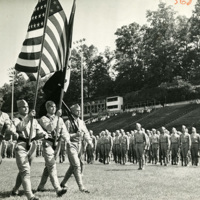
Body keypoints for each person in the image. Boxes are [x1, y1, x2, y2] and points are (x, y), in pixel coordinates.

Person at [11, 99, 47, 200]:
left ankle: (15, 190)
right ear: (18, 108)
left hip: (32, 146)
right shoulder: (16, 119)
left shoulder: (34, 120)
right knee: (25, 171)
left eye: (27, 106)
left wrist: (44, 134)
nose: (26, 108)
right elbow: (20, 128)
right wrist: (28, 118)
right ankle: (30, 195)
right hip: (21, 145)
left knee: (24, 171)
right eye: (23, 106)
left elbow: (39, 131)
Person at [37, 101, 70, 197]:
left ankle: (41, 186)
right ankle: (58, 189)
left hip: (57, 144)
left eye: (55, 106)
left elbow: (64, 131)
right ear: (47, 108)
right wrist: (56, 117)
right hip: (48, 143)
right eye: (51, 107)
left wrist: (68, 141)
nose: (54, 108)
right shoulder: (43, 118)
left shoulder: (59, 119)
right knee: (52, 166)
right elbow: (50, 127)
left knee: (48, 166)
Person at [60, 104, 93, 193]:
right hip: (71, 145)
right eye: (77, 110)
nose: (79, 112)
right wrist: (75, 134)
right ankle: (81, 187)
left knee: (72, 167)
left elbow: (85, 132)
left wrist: (89, 142)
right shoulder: (67, 122)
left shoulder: (81, 122)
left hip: (80, 145)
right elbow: (64, 135)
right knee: (77, 165)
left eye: (79, 110)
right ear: (72, 111)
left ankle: (63, 183)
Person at [0, 94, 13, 164]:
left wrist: (9, 129)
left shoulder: (4, 115)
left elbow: (8, 125)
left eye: (1, 101)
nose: (0, 103)